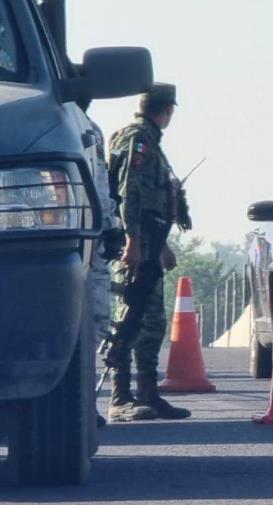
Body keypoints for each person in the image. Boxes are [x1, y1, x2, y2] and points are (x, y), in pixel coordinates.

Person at [103, 83, 191, 422]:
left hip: (150, 242)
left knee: (151, 321)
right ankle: (120, 397)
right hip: (136, 245)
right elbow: (130, 191)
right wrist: (133, 241)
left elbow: (152, 199)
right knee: (130, 316)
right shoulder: (138, 140)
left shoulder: (149, 140)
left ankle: (148, 394)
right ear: (166, 110)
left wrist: (161, 244)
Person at [77, 97, 126, 428]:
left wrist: (110, 229)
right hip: (74, 233)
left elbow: (100, 186)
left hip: (88, 237)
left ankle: (80, 405)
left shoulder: (85, 128)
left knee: (95, 320)